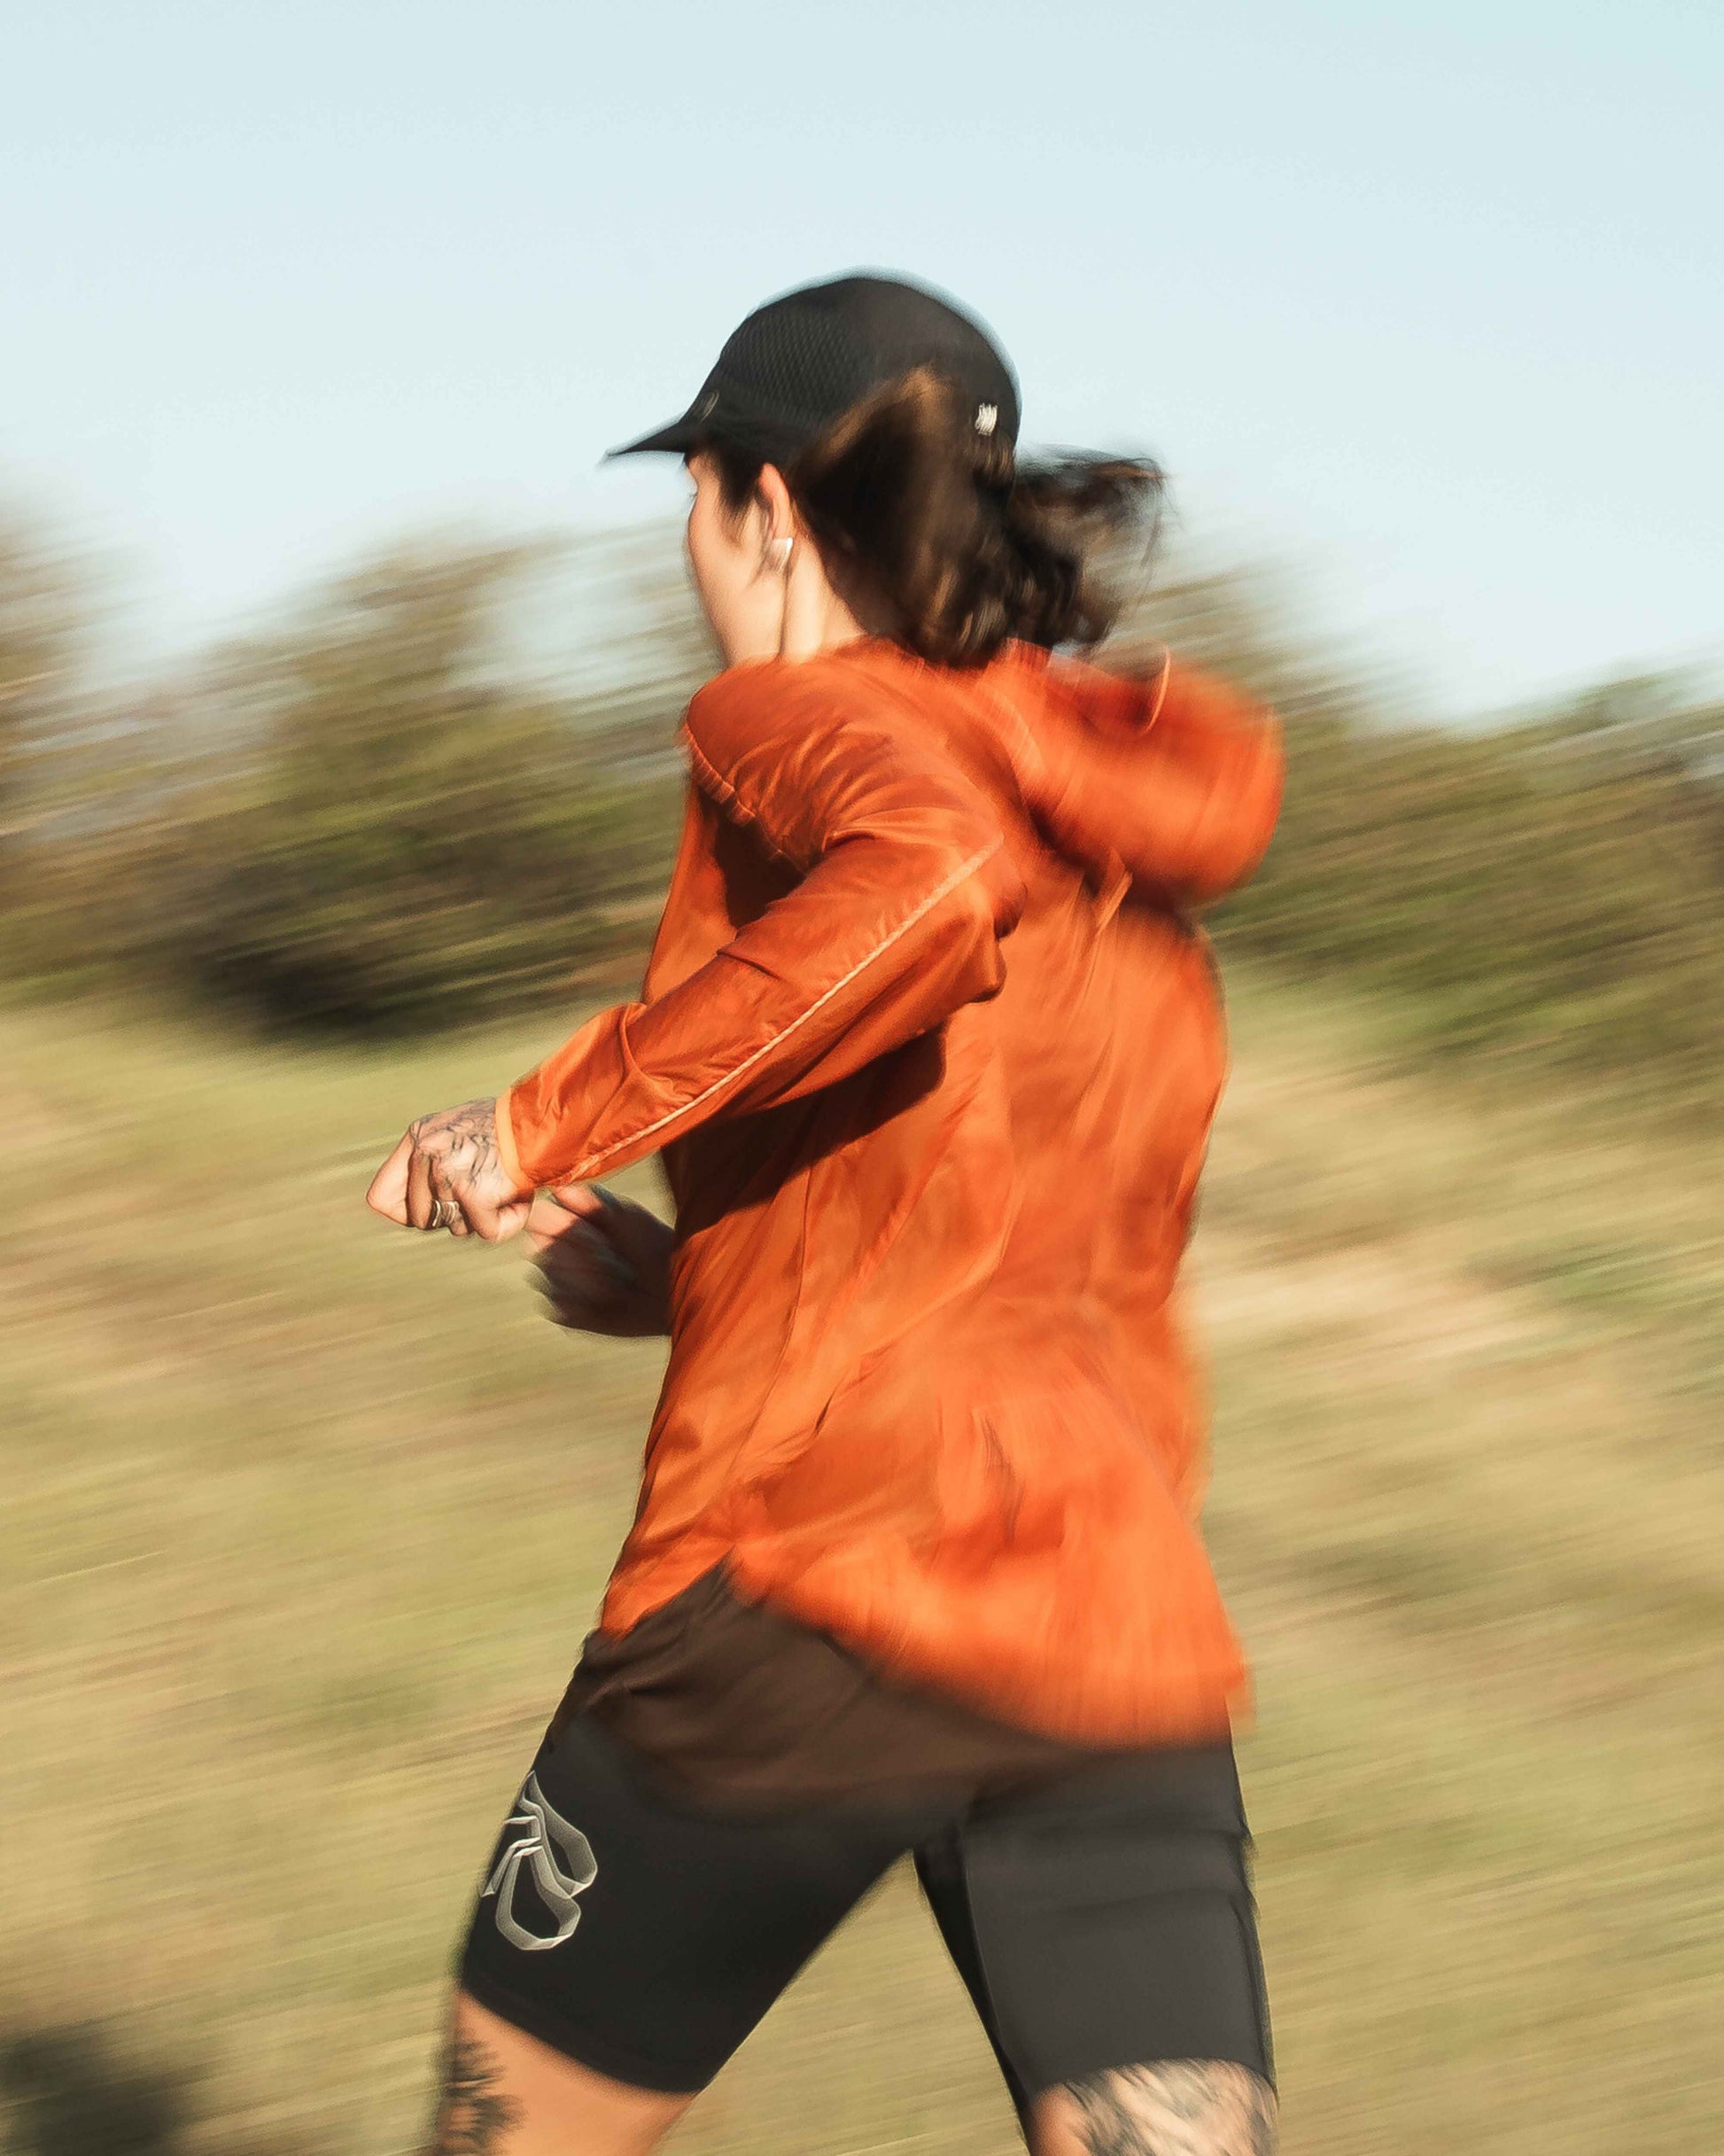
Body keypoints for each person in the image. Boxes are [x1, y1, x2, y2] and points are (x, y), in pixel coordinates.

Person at [367, 271, 1284, 2156]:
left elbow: (916, 891)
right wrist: (690, 1278)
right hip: (1102, 1629)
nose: (692, 557)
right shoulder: (1109, 809)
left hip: (800, 1603)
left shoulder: (802, 720)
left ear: (762, 506)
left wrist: (531, 1124)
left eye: (694, 507)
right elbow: (997, 1219)